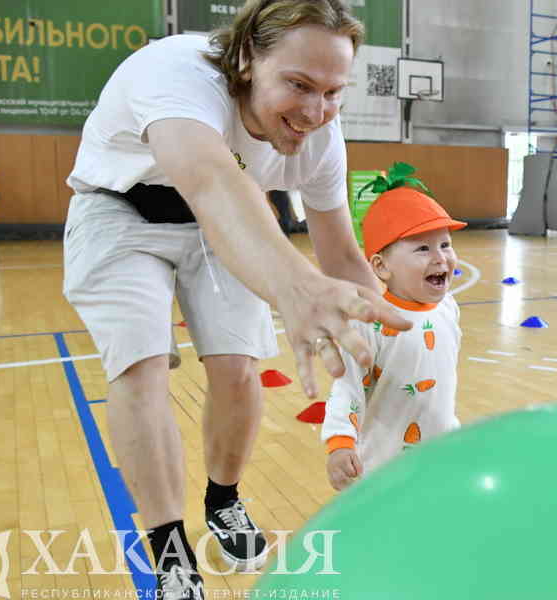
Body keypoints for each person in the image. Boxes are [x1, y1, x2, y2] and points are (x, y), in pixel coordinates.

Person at [63, 1, 411, 597]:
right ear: (248, 58)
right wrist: (294, 287)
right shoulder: (174, 73)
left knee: (237, 370)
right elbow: (209, 180)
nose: (314, 111)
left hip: (226, 221)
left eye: (333, 92)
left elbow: (342, 255)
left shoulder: (322, 136)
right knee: (141, 366)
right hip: (122, 208)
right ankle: (170, 550)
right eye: (298, 85)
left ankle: (222, 499)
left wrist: (395, 336)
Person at [321, 186, 466, 490]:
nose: (440, 258)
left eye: (445, 244)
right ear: (381, 266)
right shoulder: (368, 324)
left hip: (441, 454)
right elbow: (347, 389)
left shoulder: (448, 308)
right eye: (423, 249)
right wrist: (340, 442)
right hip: (382, 466)